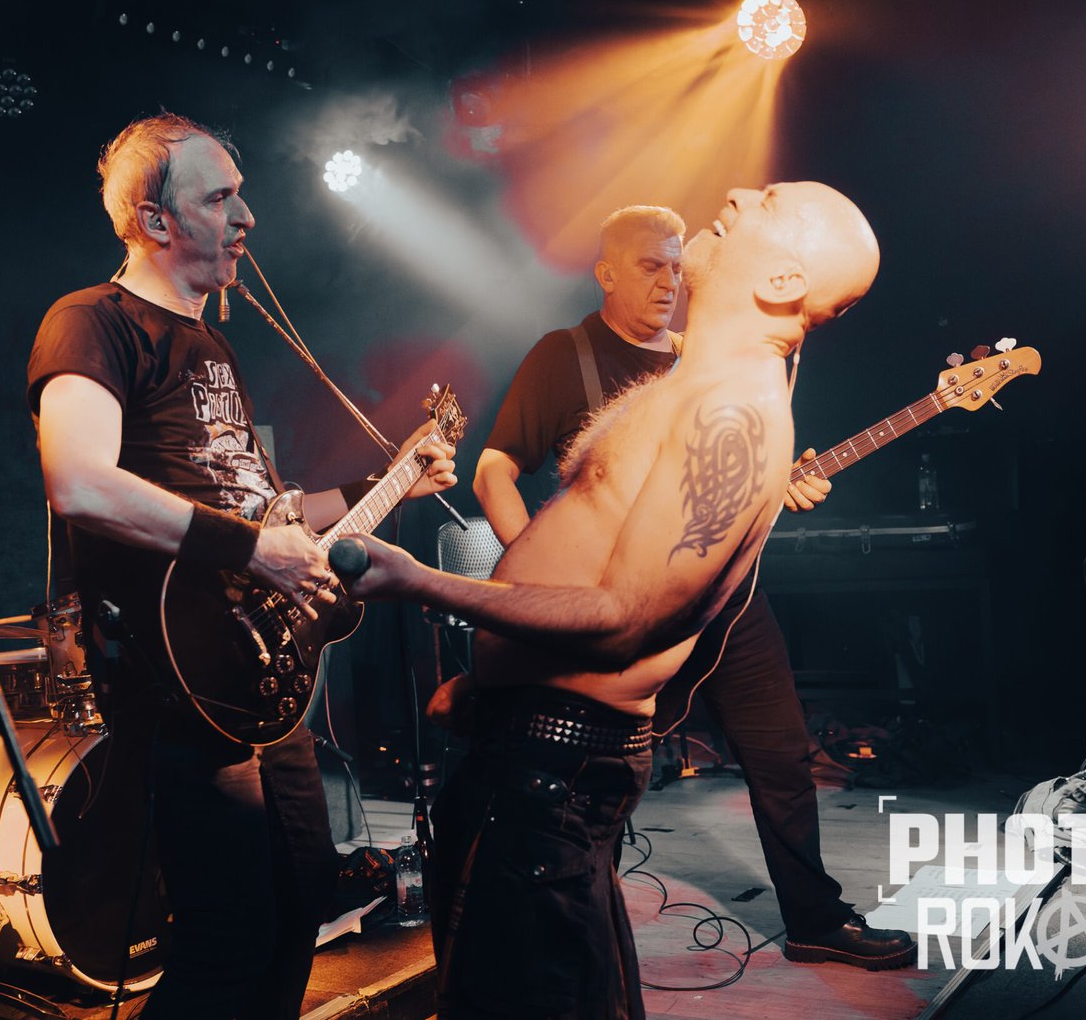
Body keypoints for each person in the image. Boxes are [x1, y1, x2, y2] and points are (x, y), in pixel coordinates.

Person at [343, 183, 904, 1018]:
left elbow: (625, 620)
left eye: (767, 201)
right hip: (530, 747)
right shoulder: (696, 381)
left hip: (555, 769)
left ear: (785, 280)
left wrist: (415, 578)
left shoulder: (734, 415)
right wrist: (494, 685)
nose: (739, 192)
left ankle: (815, 916)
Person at [26, 113, 456, 1019]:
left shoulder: (213, 345)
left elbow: (268, 513)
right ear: (155, 220)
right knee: (226, 937)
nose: (246, 216)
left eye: (240, 193)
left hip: (257, 674)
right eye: (219, 197)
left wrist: (390, 482)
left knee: (298, 907)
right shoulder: (90, 322)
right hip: (176, 681)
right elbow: (78, 481)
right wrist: (255, 547)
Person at [473, 205, 896, 970]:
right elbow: (493, 470)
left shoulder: (708, 357)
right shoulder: (566, 355)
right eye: (651, 266)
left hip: (722, 601)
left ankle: (815, 916)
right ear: (607, 273)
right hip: (608, 605)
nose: (670, 280)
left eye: (677, 265)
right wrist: (538, 577)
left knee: (780, 749)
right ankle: (583, 922)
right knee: (585, 776)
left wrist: (776, 488)